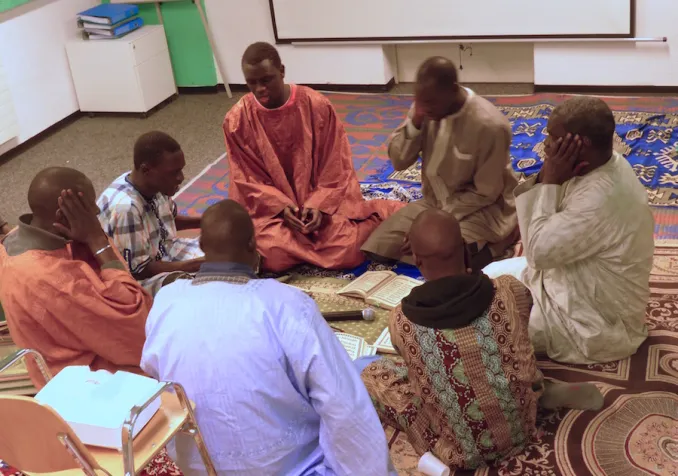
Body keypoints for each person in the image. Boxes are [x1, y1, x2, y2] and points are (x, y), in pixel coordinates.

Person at [141, 199, 396, 475]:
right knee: (361, 370)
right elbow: (343, 406)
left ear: (201, 246)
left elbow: (156, 377)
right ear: (253, 245)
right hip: (289, 466)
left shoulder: (166, 300)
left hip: (201, 466)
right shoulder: (286, 303)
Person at [361, 209, 603, 470]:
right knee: (506, 350)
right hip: (521, 428)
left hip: (460, 453)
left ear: (417, 260)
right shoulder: (509, 290)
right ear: (466, 249)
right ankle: (536, 390)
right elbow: (520, 319)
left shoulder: (401, 322)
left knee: (374, 375)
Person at [483, 96, 654, 364]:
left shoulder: (601, 198)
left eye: (553, 137)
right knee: (487, 276)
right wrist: (546, 176)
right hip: (566, 277)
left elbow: (537, 254)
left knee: (488, 326)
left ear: (580, 143)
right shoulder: (608, 162)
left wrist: (550, 181)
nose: (545, 144)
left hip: (591, 320)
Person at [222, 42, 403, 273]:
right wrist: (282, 207)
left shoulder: (315, 105)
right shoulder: (236, 121)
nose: (260, 89)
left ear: (282, 71)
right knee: (269, 255)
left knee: (347, 250)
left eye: (266, 80)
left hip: (324, 204)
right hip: (273, 213)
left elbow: (336, 165)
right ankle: (308, 247)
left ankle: (373, 218)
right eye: (252, 83)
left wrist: (318, 205)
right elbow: (246, 180)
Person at [361, 57, 518, 271]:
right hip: (434, 203)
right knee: (379, 248)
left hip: (482, 210)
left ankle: (500, 243)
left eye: (430, 103)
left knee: (449, 260)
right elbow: (399, 161)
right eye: (420, 102)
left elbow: (486, 193)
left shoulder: (489, 126)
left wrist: (433, 225)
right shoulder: (424, 109)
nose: (424, 109)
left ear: (452, 90)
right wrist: (415, 123)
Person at [0, 167, 151, 389]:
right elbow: (137, 327)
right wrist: (97, 239)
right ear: (63, 216)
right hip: (89, 383)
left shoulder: (13, 239)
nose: (97, 210)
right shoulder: (52, 280)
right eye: (89, 206)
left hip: (62, 359)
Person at [98, 131, 204, 296]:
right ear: (146, 170)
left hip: (166, 251)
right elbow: (139, 270)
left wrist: (207, 221)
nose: (181, 178)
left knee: (229, 250)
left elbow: (168, 220)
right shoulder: (126, 208)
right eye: (173, 172)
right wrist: (195, 265)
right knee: (202, 286)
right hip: (140, 278)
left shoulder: (155, 184)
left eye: (181, 170)